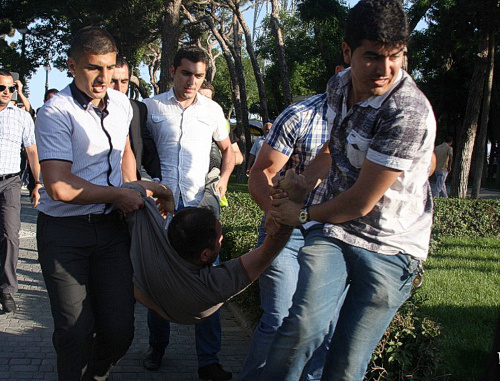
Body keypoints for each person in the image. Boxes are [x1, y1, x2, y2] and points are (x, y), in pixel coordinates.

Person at [261, 1, 436, 379]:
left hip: (392, 247)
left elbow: (361, 201)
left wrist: (301, 214)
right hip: (337, 230)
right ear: (347, 52)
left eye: (395, 57)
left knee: (345, 365)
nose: (385, 69)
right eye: (372, 57)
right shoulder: (339, 87)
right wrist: (303, 182)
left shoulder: (407, 111)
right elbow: (335, 152)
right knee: (302, 326)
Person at [35, 27, 147, 380]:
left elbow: (125, 152)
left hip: (111, 231)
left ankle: (94, 376)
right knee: (74, 333)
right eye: (93, 68)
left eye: (110, 68)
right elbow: (58, 187)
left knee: (120, 332)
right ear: (72, 65)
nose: (103, 78)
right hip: (64, 234)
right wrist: (119, 194)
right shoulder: (56, 112)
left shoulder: (122, 106)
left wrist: (138, 189)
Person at [142, 47, 235, 380]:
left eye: (199, 75)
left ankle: (209, 361)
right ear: (172, 71)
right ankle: (157, 347)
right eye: (186, 73)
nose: (192, 81)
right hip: (162, 212)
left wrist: (223, 180)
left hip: (199, 210)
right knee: (160, 283)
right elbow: (138, 153)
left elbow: (229, 151)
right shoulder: (151, 108)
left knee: (209, 284)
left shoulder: (212, 110)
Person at [241, 94, 332, 381]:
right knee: (279, 319)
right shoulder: (301, 115)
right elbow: (262, 171)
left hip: (335, 236)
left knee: (327, 329)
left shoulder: (378, 116)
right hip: (288, 234)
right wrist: (275, 213)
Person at [122, 181, 292, 325]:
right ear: (204, 255)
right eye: (219, 238)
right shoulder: (212, 286)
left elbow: (130, 189)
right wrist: (294, 203)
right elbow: (269, 251)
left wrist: (165, 192)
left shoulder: (154, 246)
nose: (222, 238)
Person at [0, 69, 41, 313]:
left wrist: (38, 183)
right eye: (1, 88)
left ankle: (7, 290)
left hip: (10, 183)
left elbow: (32, 151)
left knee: (10, 236)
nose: (6, 92)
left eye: (10, 88)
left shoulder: (22, 117)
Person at [110, 57, 161, 181]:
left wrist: (156, 178)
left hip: (131, 184)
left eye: (124, 82)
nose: (119, 88)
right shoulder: (85, 111)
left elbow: (147, 146)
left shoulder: (138, 109)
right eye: (113, 81)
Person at [199, 80, 244, 169]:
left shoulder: (221, 123)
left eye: (207, 98)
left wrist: (218, 160)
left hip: (213, 178)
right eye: (200, 97)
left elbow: (239, 157)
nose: (203, 101)